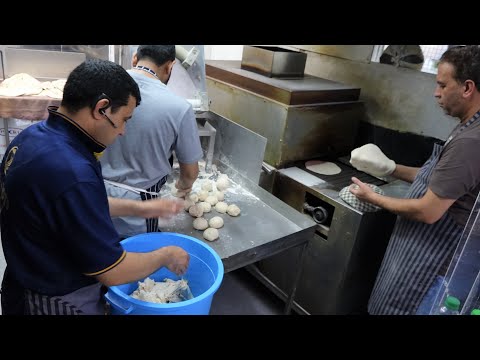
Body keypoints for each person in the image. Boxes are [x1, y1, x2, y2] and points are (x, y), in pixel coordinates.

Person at [0, 58, 189, 315]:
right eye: (124, 119)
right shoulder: (72, 171)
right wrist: (166, 255)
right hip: (52, 300)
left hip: (22, 278)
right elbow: (113, 270)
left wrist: (141, 209)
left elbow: (73, 206)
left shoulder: (33, 138)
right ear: (101, 108)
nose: (122, 131)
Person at [348, 45, 480, 315]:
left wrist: (373, 197)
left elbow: (429, 211)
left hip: (432, 264)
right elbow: (437, 177)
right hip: (419, 250)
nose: (436, 92)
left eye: (443, 85)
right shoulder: (469, 126)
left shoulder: (471, 142)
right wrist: (389, 167)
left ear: (467, 88)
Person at [100, 45, 203, 238]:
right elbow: (190, 172)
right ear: (169, 67)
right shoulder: (179, 107)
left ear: (134, 58)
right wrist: (183, 187)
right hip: (140, 208)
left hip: (91, 195)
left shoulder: (101, 89)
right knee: (135, 258)